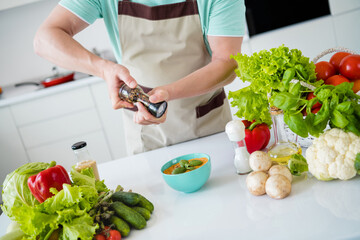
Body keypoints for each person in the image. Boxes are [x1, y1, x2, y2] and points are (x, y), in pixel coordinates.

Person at [34, 0, 246, 155]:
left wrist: (167, 93)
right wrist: (103, 68)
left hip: (208, 126)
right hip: (144, 134)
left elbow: (227, 63)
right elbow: (44, 40)